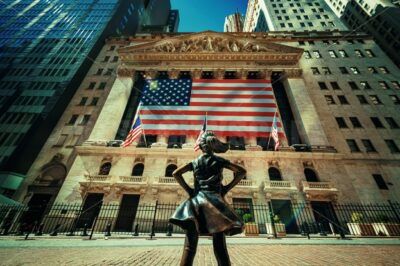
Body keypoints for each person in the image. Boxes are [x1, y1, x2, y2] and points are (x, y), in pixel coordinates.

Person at [169, 131, 246, 266]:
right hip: (215, 202)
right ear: (213, 146)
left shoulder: (195, 162)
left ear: (201, 146)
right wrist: (226, 188)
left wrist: (190, 190)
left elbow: (176, 173)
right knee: (220, 246)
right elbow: (242, 172)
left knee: (189, 246)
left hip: (196, 202)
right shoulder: (219, 160)